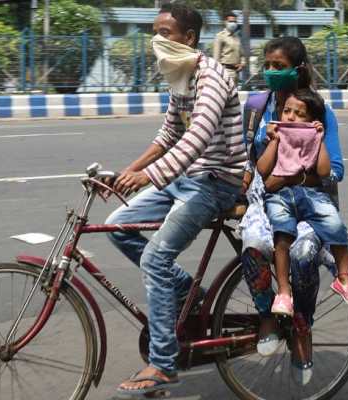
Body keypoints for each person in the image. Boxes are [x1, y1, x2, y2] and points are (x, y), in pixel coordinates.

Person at [104, 3, 245, 396]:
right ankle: (187, 292)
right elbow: (168, 135)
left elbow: (197, 136)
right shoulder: (179, 76)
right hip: (183, 177)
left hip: (215, 181)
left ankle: (163, 364)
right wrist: (125, 174)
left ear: (189, 38)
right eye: (155, 31)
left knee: (155, 258)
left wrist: (148, 175)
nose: (157, 39)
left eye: (165, 32)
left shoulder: (212, 76)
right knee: (118, 226)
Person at [238, 36, 348, 385]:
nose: (271, 71)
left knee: (304, 254)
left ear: (298, 69)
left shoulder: (319, 112)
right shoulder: (257, 107)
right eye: (267, 64)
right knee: (254, 246)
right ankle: (266, 316)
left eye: (279, 66)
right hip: (265, 198)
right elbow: (247, 159)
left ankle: (303, 328)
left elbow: (335, 170)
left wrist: (297, 173)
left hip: (306, 199)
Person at [255, 88, 348, 315]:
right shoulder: (276, 135)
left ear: (312, 120)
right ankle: (284, 292)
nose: (291, 117)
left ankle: (344, 278)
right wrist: (274, 141)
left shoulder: (314, 138)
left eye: (299, 114)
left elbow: (325, 171)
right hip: (280, 196)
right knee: (282, 235)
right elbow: (262, 169)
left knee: (335, 224)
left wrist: (320, 138)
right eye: (287, 111)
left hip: (310, 193)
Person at [213, 11, 244, 84]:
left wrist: (242, 64)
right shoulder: (220, 36)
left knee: (234, 94)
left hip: (236, 72)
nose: (233, 23)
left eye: (235, 21)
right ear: (225, 22)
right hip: (225, 71)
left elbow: (242, 54)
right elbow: (216, 58)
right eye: (230, 21)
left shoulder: (237, 37)